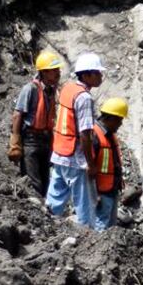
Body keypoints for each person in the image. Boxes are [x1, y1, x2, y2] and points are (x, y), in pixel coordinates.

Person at [46, 53, 105, 227]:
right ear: (86, 75)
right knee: (85, 205)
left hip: (60, 153)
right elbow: (85, 134)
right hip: (75, 158)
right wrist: (90, 164)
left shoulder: (68, 88)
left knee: (54, 200)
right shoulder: (84, 97)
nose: (100, 76)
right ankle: (87, 236)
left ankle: (45, 228)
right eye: (97, 73)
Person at [7, 51, 62, 196]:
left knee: (45, 182)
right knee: (33, 183)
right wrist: (15, 142)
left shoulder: (51, 91)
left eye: (58, 69)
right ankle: (34, 205)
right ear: (44, 72)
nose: (58, 73)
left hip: (46, 140)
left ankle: (44, 208)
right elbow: (18, 115)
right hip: (31, 140)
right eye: (54, 70)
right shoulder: (30, 89)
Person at [92, 97, 127, 231]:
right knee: (100, 226)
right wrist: (94, 193)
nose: (121, 124)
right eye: (119, 120)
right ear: (111, 118)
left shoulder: (110, 135)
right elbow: (88, 167)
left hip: (112, 188)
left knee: (111, 228)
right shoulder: (95, 135)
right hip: (101, 191)